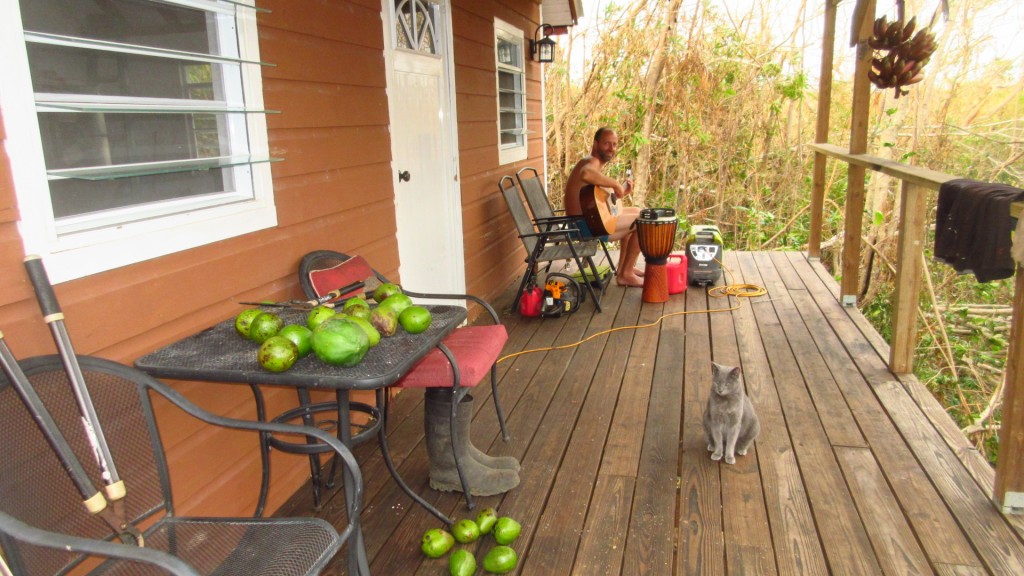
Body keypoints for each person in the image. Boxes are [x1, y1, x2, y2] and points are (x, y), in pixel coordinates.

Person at [563, 127, 644, 287]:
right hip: (584, 227)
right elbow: (586, 174)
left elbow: (595, 202)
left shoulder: (593, 163)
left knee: (636, 212)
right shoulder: (591, 162)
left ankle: (624, 268)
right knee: (643, 219)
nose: (611, 148)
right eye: (607, 143)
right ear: (595, 144)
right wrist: (615, 184)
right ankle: (625, 274)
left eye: (614, 145)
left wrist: (621, 192)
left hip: (587, 221)